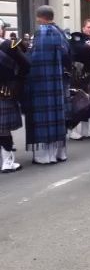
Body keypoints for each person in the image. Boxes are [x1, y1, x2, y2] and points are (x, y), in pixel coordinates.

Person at [25, 6, 71, 164]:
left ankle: (45, 157)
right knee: (57, 117)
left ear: (40, 17)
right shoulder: (61, 32)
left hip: (41, 83)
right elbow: (67, 56)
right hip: (57, 81)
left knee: (44, 117)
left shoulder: (41, 32)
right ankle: (58, 153)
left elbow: (33, 58)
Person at [0, 19, 30, 172]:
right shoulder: (8, 45)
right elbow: (26, 64)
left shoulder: (9, 45)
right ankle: (7, 162)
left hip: (5, 90)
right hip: (5, 90)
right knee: (3, 129)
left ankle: (6, 160)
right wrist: (17, 82)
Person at [68, 31, 90, 140]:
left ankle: (72, 131)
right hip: (84, 78)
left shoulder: (67, 46)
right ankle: (84, 130)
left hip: (71, 78)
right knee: (86, 103)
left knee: (73, 104)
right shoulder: (86, 47)